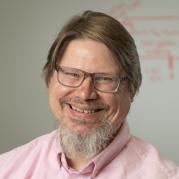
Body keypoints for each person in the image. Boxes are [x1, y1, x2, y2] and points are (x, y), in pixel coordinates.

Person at [0, 10, 178, 179]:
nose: (85, 94)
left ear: (132, 88)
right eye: (71, 74)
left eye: (104, 78)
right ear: (49, 79)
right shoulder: (7, 168)